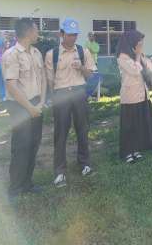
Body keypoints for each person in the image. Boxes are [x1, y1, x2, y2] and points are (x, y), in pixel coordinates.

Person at [45, 18, 96, 188]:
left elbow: (90, 76)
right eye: (69, 34)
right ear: (61, 34)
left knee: (83, 129)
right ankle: (60, 171)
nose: (72, 38)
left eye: (75, 35)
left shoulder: (83, 51)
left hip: (79, 92)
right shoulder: (52, 54)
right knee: (60, 133)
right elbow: (50, 81)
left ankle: (85, 163)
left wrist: (81, 67)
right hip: (61, 94)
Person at [1, 19, 46, 200]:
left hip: (36, 103)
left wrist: (41, 101)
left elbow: (42, 78)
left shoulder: (36, 52)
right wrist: (30, 108)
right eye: (36, 29)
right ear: (28, 32)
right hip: (19, 106)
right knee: (21, 147)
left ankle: (27, 183)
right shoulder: (11, 55)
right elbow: (11, 86)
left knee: (34, 144)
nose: (38, 33)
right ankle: (15, 188)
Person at [116, 30, 152, 163]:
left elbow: (150, 67)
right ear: (132, 41)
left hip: (142, 94)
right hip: (130, 96)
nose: (141, 44)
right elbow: (135, 71)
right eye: (140, 41)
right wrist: (137, 56)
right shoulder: (123, 57)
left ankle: (136, 150)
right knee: (129, 126)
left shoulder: (138, 54)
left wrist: (143, 57)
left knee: (138, 124)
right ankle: (127, 153)